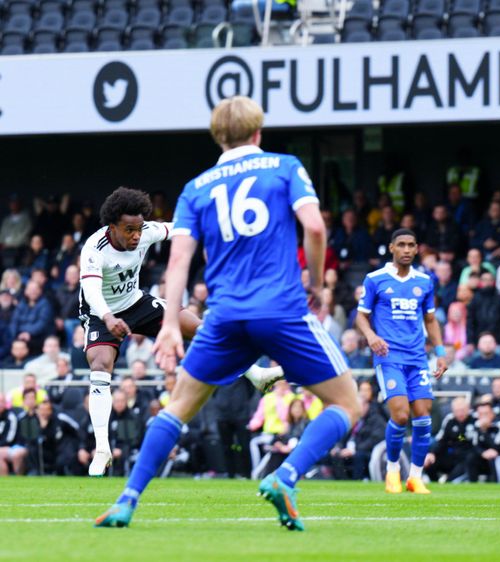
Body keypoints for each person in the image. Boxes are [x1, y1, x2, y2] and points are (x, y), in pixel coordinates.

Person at [96, 96, 360, 532]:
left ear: (217, 137)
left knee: (177, 407)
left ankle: (127, 500)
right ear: (258, 132)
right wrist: (315, 282)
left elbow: (178, 262)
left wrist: (167, 326)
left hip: (223, 317)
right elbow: (314, 227)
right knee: (347, 403)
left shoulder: (196, 188)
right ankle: (285, 476)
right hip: (281, 310)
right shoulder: (284, 166)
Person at [79, 187, 281, 478]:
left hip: (136, 302)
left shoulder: (146, 231)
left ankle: (256, 375)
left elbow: (180, 229)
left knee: (200, 328)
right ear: (112, 227)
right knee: (100, 365)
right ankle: (102, 450)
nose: (137, 236)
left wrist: (214, 229)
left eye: (139, 229)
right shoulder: (94, 249)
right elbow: (90, 291)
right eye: (129, 230)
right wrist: (108, 317)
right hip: (101, 313)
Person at [354, 228, 447, 495]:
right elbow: (361, 316)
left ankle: (415, 477)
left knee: (423, 418)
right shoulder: (375, 279)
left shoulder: (425, 281)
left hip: (417, 357)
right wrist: (371, 336)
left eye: (411, 245)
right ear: (392, 248)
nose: (406, 250)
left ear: (417, 249)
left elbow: (430, 319)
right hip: (389, 356)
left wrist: (440, 352)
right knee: (401, 414)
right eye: (401, 245)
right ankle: (393, 469)